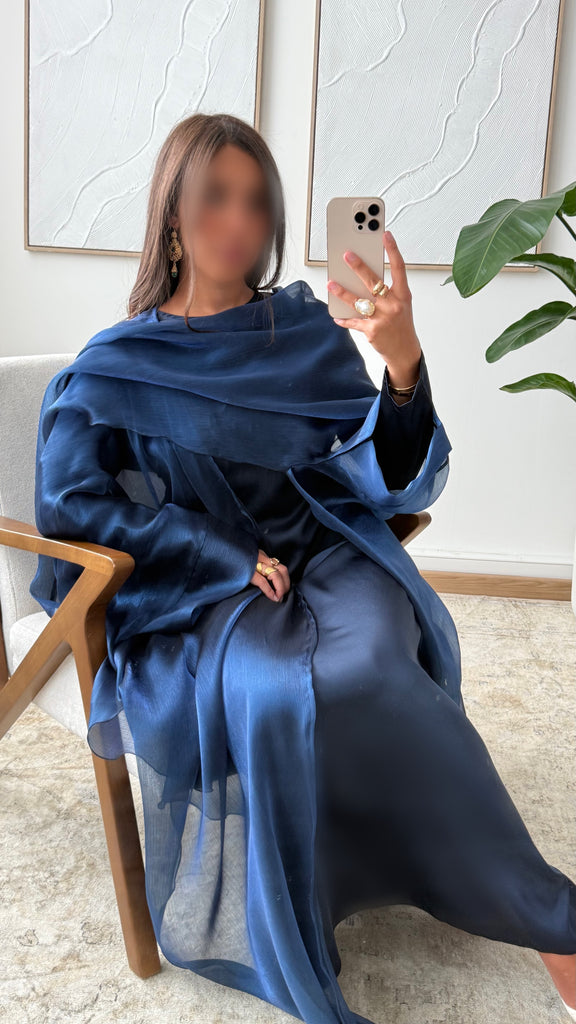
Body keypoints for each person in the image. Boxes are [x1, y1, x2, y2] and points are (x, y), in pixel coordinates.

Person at [30, 113, 576, 1023]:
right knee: (279, 690)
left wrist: (402, 365)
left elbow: (375, 464)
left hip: (329, 558)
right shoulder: (116, 365)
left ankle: (553, 921)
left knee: (368, 664)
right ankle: (316, 906)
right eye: (215, 197)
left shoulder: (304, 332)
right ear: (172, 215)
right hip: (209, 597)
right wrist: (219, 551)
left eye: (257, 202)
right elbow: (74, 509)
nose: (239, 221)